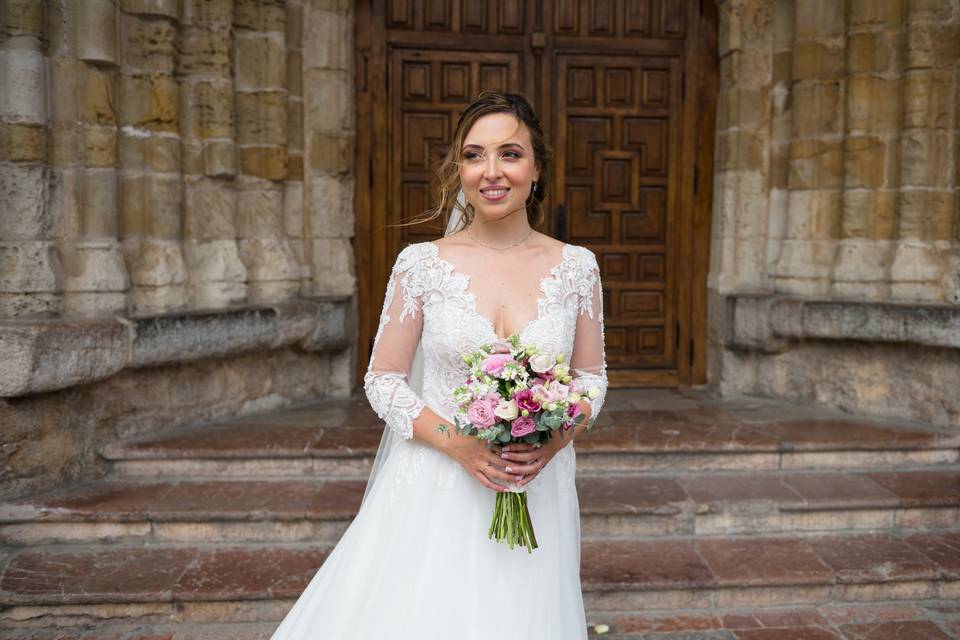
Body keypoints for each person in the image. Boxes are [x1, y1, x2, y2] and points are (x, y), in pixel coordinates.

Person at [271, 91, 607, 639]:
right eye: (474, 155)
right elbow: (383, 381)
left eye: (510, 154)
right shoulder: (422, 265)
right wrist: (459, 443)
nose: (491, 172)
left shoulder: (577, 268)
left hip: (535, 484)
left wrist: (553, 440)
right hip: (436, 483)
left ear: (537, 167)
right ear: (459, 169)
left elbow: (591, 378)